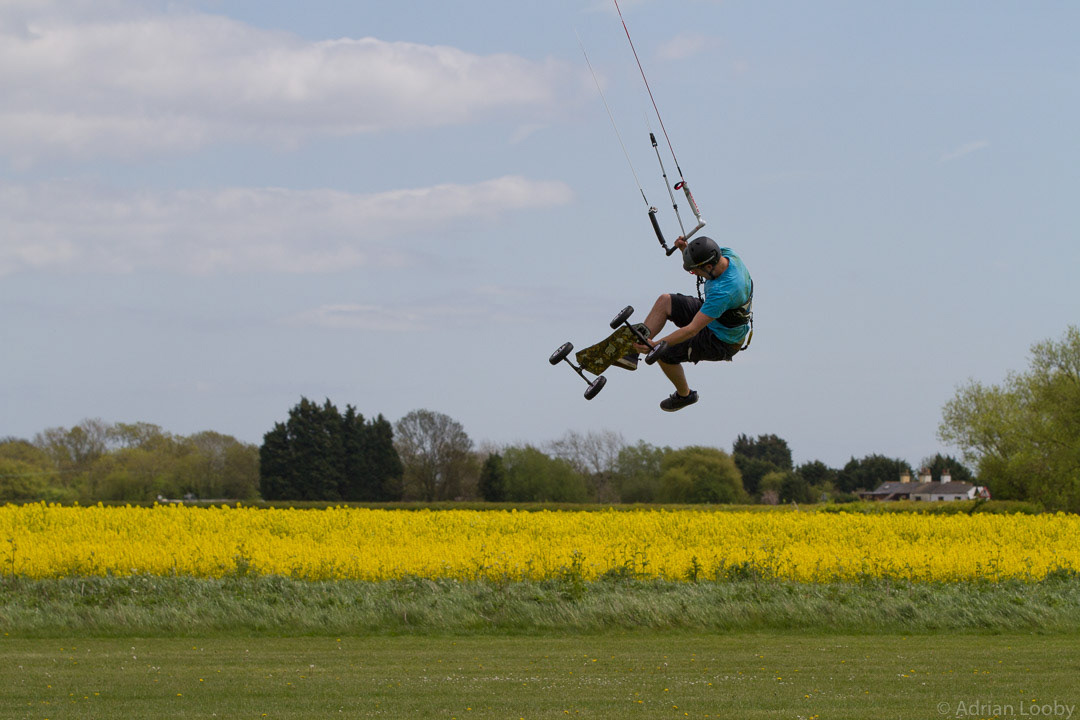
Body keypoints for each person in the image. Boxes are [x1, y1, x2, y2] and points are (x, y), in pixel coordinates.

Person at [621, 235, 753, 412]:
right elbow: (700, 257)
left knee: (662, 353)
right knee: (665, 301)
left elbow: (691, 330)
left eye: (695, 271)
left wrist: (657, 345)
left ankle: (685, 395)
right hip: (716, 316)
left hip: (722, 340)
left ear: (708, 267)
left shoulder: (725, 292)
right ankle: (635, 349)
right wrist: (686, 250)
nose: (694, 274)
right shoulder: (727, 255)